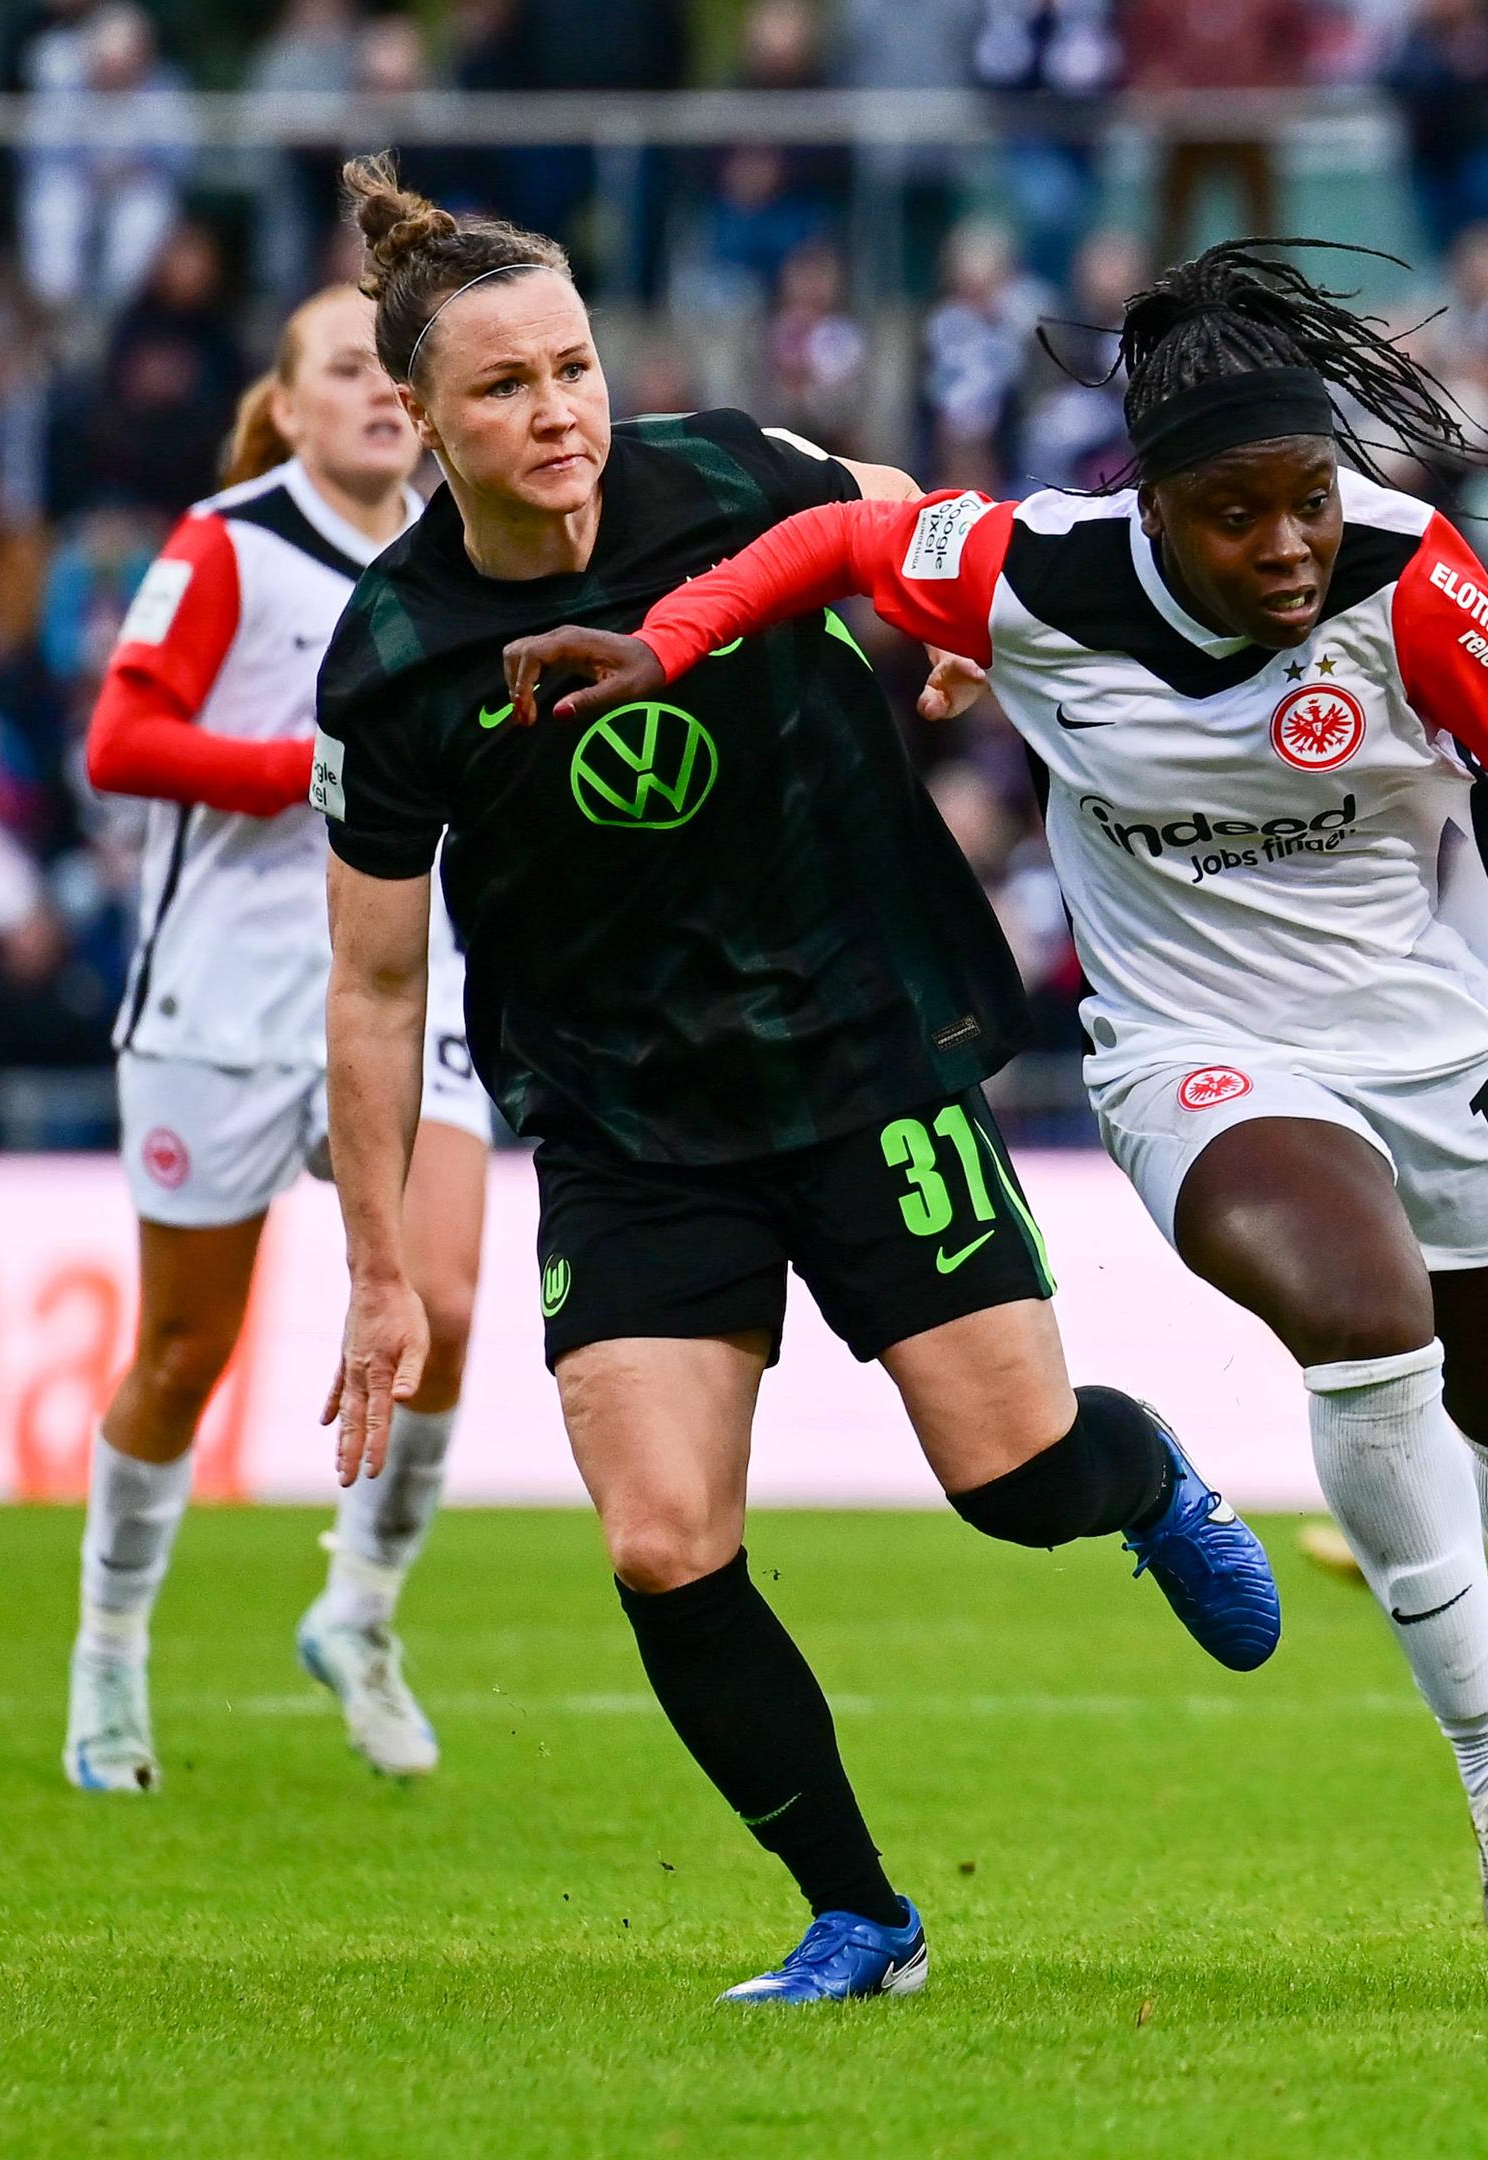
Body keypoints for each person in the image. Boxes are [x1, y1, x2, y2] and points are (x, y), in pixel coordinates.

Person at [502, 240, 1488, 1958]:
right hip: (1202, 1050)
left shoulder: (1417, 583)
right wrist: (671, 649)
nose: (1286, 544)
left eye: (1310, 504)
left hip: (1443, 1033)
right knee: (1361, 1318)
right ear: (1151, 507)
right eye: (1239, 513)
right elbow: (832, 538)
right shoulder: (1030, 569)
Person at [308, 158, 1280, 2008]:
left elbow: (909, 510)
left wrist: (940, 634)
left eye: (575, 369)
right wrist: (374, 1264)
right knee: (665, 1538)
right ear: (421, 419)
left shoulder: (733, 474)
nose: (559, 412)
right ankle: (860, 1915)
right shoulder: (392, 661)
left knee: (1015, 1479)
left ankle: (1146, 1486)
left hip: (860, 1055)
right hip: (626, 1122)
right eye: (504, 389)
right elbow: (369, 984)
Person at [59, 284, 492, 1798]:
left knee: (437, 1297)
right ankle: (110, 1656)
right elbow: (121, 741)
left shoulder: (465, 551)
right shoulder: (226, 541)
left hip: (402, 993)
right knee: (186, 1352)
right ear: (292, 403)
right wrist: (314, 767)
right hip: (224, 1005)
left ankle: (359, 1614)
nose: (381, 393)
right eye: (346, 371)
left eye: (398, 374)